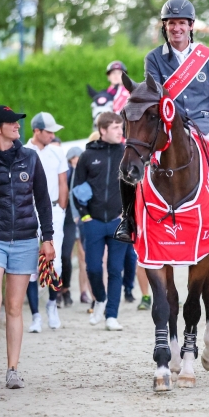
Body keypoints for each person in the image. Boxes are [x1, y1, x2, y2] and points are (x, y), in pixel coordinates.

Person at [114, 0, 209, 245]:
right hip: (168, 126)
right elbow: (153, 94)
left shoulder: (208, 57)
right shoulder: (154, 58)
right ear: (164, 26)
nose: (176, 28)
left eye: (181, 23)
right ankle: (128, 219)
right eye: (170, 23)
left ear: (191, 25)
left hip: (204, 123)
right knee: (132, 159)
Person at [0, 105, 55, 390]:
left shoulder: (30, 158)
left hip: (26, 240)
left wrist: (47, 238)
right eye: (12, 123)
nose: (17, 126)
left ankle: (12, 370)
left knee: (15, 307)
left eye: (17, 122)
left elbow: (43, 199)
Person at [73, 112, 130, 331]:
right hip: (93, 221)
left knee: (116, 270)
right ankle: (100, 299)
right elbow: (77, 188)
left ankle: (111, 316)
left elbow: (136, 185)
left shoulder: (127, 153)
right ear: (103, 130)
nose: (120, 131)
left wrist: (129, 215)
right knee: (93, 268)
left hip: (119, 221)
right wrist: (85, 215)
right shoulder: (88, 155)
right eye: (115, 127)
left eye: (121, 127)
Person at [24, 112, 68, 333]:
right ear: (37, 131)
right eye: (48, 131)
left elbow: (62, 181)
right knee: (31, 266)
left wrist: (61, 207)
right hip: (28, 212)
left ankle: (52, 305)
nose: (52, 135)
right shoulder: (23, 152)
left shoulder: (57, 152)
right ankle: (35, 315)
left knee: (55, 262)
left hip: (52, 210)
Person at [60, 146, 92, 305]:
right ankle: (62, 289)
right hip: (67, 218)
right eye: (74, 157)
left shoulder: (84, 172)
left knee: (82, 257)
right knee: (64, 256)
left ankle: (81, 291)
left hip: (79, 218)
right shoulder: (65, 172)